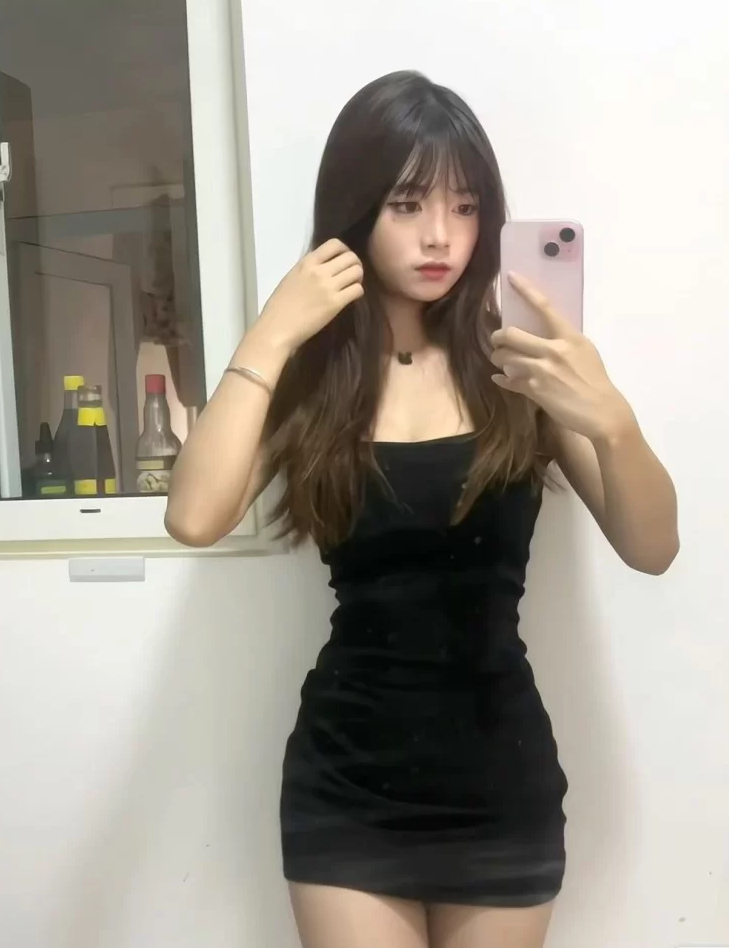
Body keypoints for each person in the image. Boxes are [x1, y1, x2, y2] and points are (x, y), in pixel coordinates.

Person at [165, 71, 679, 948]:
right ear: (356, 211)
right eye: (408, 205)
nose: (441, 235)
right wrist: (273, 332)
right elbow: (194, 517)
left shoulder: (521, 364)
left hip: (500, 778)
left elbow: (653, 547)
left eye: (465, 207)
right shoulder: (313, 381)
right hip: (348, 784)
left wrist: (612, 420)